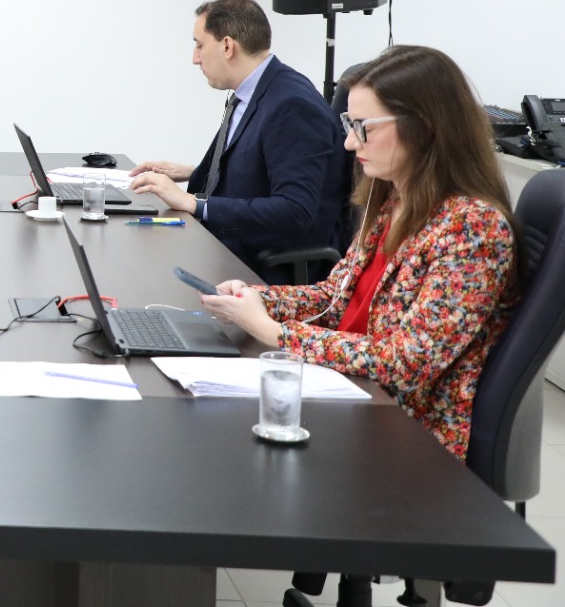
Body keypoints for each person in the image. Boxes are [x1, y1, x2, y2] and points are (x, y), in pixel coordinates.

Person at [201, 44, 520, 459]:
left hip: (402, 436)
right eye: (349, 125)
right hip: (353, 393)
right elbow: (334, 298)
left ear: (423, 127)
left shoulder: (472, 229)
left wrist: (273, 332)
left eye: (363, 127)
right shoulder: (395, 202)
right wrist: (259, 298)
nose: (350, 143)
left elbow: (406, 363)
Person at [129, 0, 351, 278]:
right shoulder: (253, 92)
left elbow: (295, 211)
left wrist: (195, 204)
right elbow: (264, 168)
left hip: (263, 265)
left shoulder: (292, 105)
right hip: (231, 245)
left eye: (199, 45)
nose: (195, 58)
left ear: (227, 46)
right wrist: (191, 172)